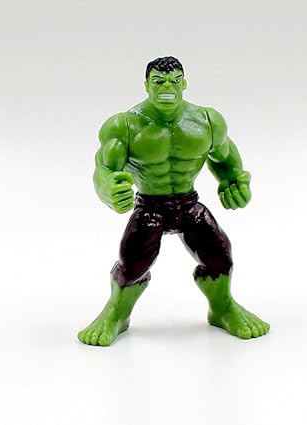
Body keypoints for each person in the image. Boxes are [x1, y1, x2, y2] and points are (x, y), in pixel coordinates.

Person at [77, 56, 270, 346]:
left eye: (174, 81)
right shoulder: (124, 126)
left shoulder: (207, 121)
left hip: (188, 204)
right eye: (158, 81)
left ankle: (222, 308)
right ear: (146, 85)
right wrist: (108, 190)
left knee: (220, 254)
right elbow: (103, 169)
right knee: (133, 264)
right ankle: (116, 313)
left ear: (184, 84)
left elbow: (225, 158)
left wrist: (234, 182)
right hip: (149, 206)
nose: (167, 87)